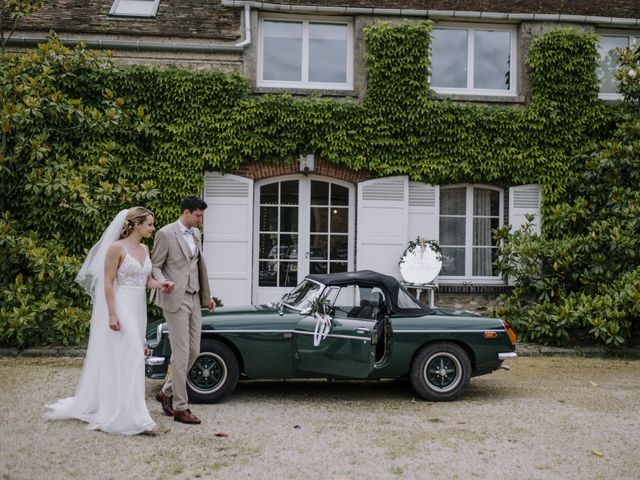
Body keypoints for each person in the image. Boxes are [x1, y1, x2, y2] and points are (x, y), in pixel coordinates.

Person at [46, 207, 175, 435]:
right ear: (136, 225)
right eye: (149, 224)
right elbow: (107, 283)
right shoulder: (116, 248)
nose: (152, 228)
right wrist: (112, 314)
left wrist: (161, 285)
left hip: (137, 307)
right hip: (121, 303)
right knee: (135, 354)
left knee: (127, 356)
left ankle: (123, 406)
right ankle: (137, 418)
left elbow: (146, 281)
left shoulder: (144, 248)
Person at [151, 196, 216, 425]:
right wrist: (163, 282)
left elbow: (199, 266)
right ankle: (180, 407)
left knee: (194, 351)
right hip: (174, 298)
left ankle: (166, 391)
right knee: (180, 354)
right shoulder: (165, 234)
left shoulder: (196, 234)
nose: (200, 220)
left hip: (194, 295)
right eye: (198, 216)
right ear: (186, 212)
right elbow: (155, 266)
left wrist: (207, 297)